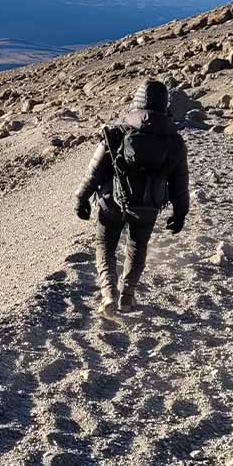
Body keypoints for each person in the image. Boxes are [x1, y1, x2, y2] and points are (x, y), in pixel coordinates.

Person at [74, 79, 190, 317]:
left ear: (136, 101)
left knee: (105, 246)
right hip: (148, 206)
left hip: (111, 202)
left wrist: (81, 198)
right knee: (137, 248)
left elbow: (94, 171)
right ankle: (127, 296)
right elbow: (180, 183)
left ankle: (108, 294)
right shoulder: (175, 142)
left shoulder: (117, 133)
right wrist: (180, 214)